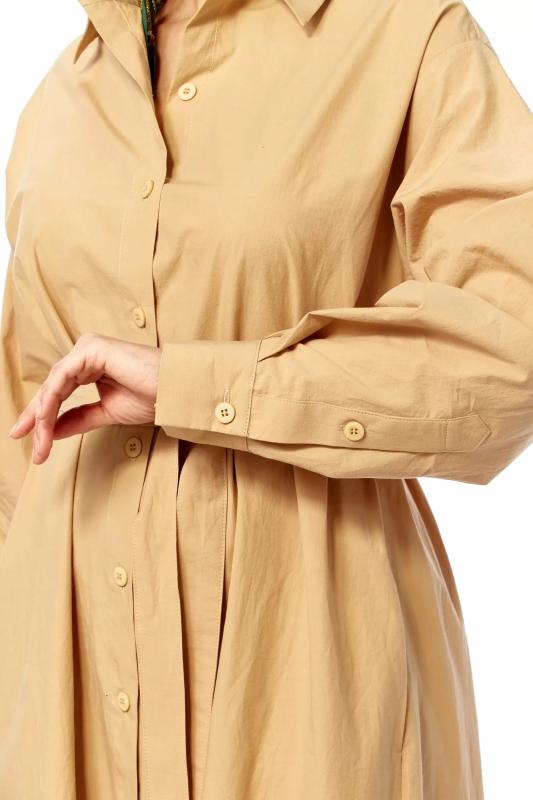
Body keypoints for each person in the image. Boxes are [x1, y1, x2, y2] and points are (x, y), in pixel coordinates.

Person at [1, 0, 532, 797]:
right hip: (59, 675)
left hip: (303, 664)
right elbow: (21, 413)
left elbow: (512, 343)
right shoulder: (65, 91)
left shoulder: (406, 34)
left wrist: (200, 385)